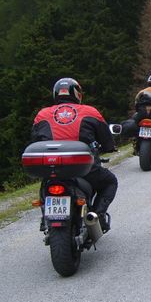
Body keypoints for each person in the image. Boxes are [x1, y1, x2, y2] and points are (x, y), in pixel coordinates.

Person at [31, 77, 117, 233]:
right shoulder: (90, 111)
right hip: (83, 168)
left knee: (46, 184)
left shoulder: (42, 114)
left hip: (53, 167)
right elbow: (106, 139)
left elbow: (35, 141)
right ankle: (97, 215)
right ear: (78, 94)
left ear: (55, 94)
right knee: (110, 182)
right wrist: (109, 147)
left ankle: (45, 218)